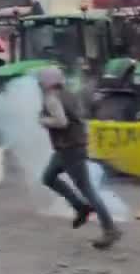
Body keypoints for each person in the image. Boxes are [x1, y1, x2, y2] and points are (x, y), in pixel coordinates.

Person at [35, 66, 121, 250]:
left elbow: (61, 121)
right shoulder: (69, 94)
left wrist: (42, 120)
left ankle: (110, 228)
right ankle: (80, 207)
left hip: (69, 149)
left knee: (87, 189)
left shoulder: (51, 98)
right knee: (48, 177)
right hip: (69, 147)